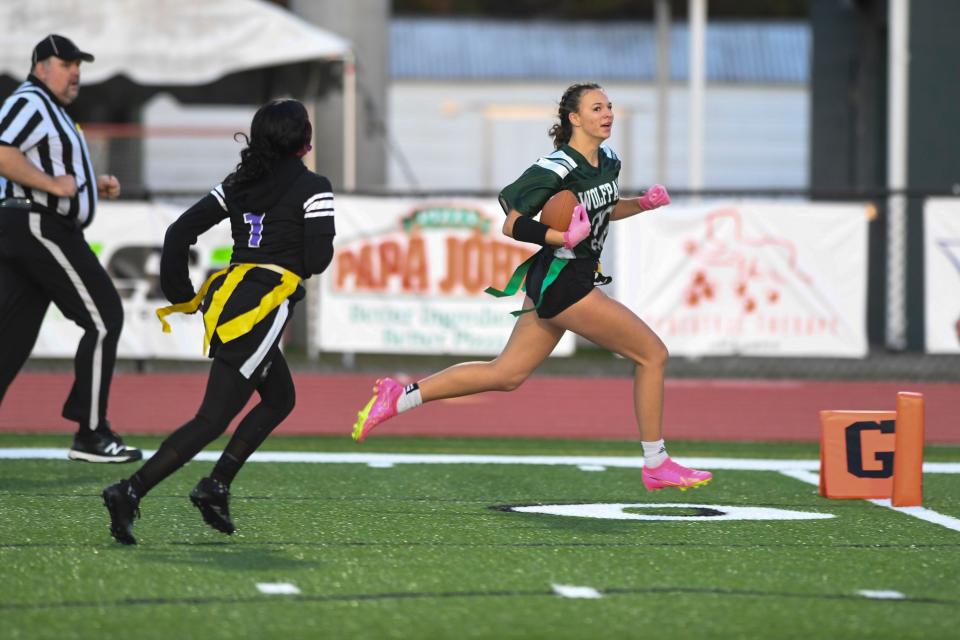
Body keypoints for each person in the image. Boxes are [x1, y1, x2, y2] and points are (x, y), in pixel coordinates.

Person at [352, 82, 712, 492]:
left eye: (609, 106)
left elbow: (603, 211)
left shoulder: (609, 159)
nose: (607, 113)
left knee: (506, 373)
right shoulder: (556, 166)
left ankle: (400, 397)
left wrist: (641, 204)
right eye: (597, 107)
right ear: (574, 118)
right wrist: (561, 238)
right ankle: (656, 462)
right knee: (652, 354)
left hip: (561, 279)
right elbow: (512, 223)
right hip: (564, 280)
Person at [101, 99, 336, 544]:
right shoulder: (314, 186)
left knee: (279, 398)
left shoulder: (239, 183)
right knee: (211, 419)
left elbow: (177, 233)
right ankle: (130, 490)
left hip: (232, 296)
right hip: (261, 306)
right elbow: (318, 260)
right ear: (304, 141)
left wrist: (182, 294)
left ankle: (216, 485)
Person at [0, 34, 141, 463]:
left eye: (79, 63)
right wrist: (50, 186)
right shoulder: (30, 102)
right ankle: (92, 432)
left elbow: (49, 168)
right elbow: (2, 152)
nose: (76, 71)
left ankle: (91, 429)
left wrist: (89, 187)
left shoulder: (53, 110)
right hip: (37, 224)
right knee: (104, 317)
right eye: (66, 63)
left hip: (32, 224)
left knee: (11, 338)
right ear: (40, 65)